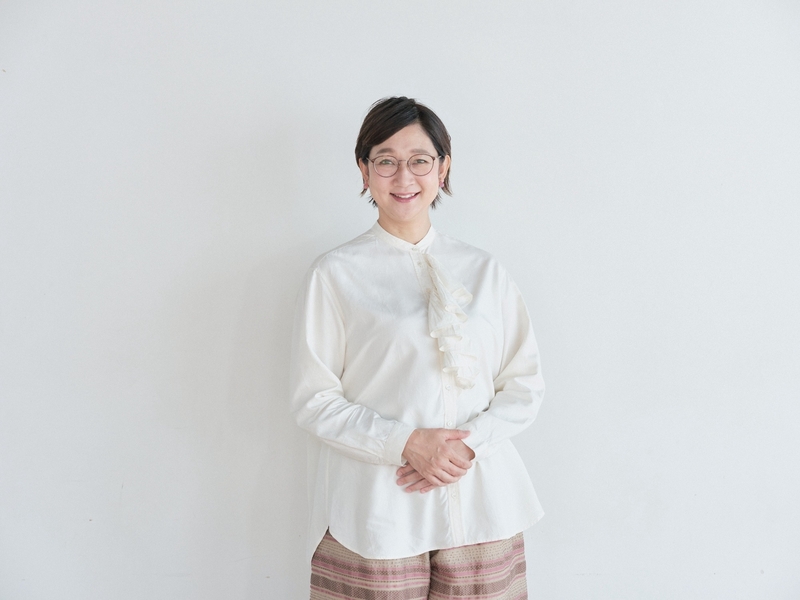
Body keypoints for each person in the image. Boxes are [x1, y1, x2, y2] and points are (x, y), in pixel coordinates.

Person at [290, 96, 545, 600]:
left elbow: (524, 385)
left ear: (443, 168)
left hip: (482, 506)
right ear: (364, 170)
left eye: (420, 160)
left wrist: (467, 444)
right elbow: (313, 399)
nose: (403, 176)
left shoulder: (485, 271)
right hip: (378, 513)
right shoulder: (334, 274)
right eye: (385, 160)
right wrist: (406, 443)